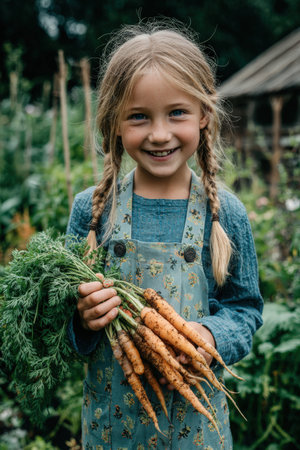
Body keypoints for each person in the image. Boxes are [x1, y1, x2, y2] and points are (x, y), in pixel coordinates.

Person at [67, 19, 263, 449]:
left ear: (204, 114)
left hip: (197, 427)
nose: (159, 134)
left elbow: (245, 310)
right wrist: (82, 318)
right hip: (110, 427)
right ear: (115, 123)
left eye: (177, 113)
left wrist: (211, 336)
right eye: (139, 117)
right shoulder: (93, 211)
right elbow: (62, 326)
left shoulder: (224, 212)